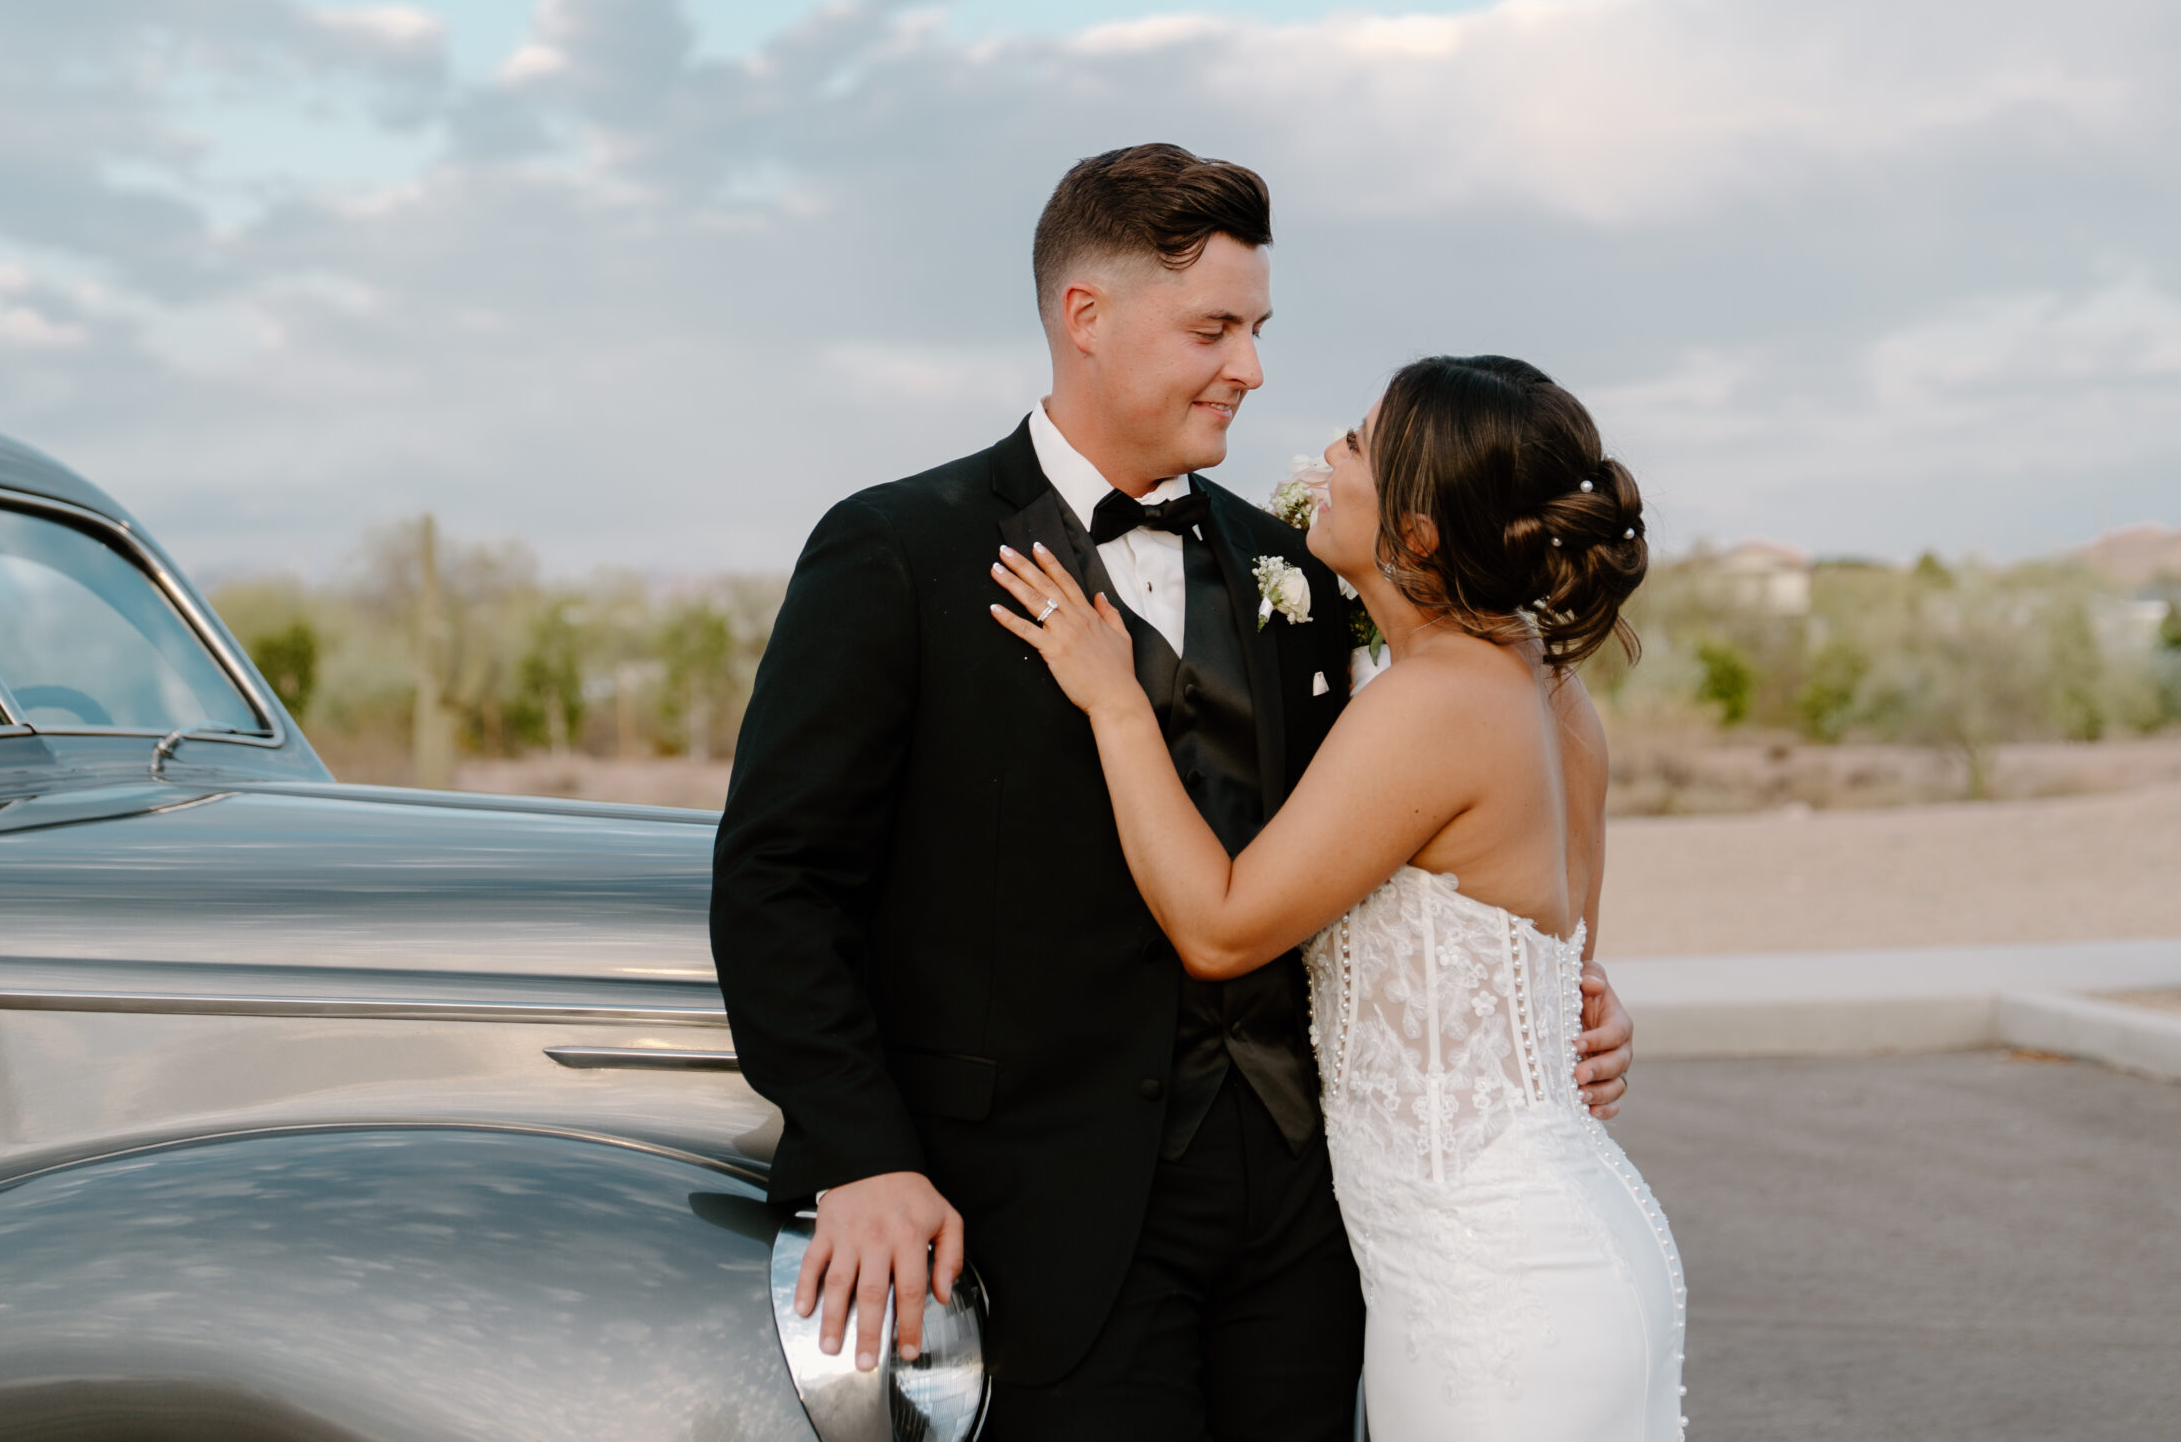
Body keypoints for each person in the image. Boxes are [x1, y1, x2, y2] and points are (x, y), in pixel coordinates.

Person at [711, 145, 1638, 1440]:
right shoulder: (899, 552)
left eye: (1257, 328)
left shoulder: (1302, 571)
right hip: (1042, 1214)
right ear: (1087, 317)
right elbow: (777, 878)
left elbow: (1414, 836)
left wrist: (1545, 1006)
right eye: (1214, 327)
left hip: (1303, 1229)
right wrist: (863, 1150)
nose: (1250, 367)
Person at [989, 353, 1685, 1441]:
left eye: (1356, 446)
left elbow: (1219, 928)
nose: (1322, 461)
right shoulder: (1546, 681)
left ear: (1413, 534)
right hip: (1558, 1247)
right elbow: (1560, 958)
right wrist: (1590, 1023)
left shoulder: (1434, 701)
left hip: (1488, 1292)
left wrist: (1116, 704)